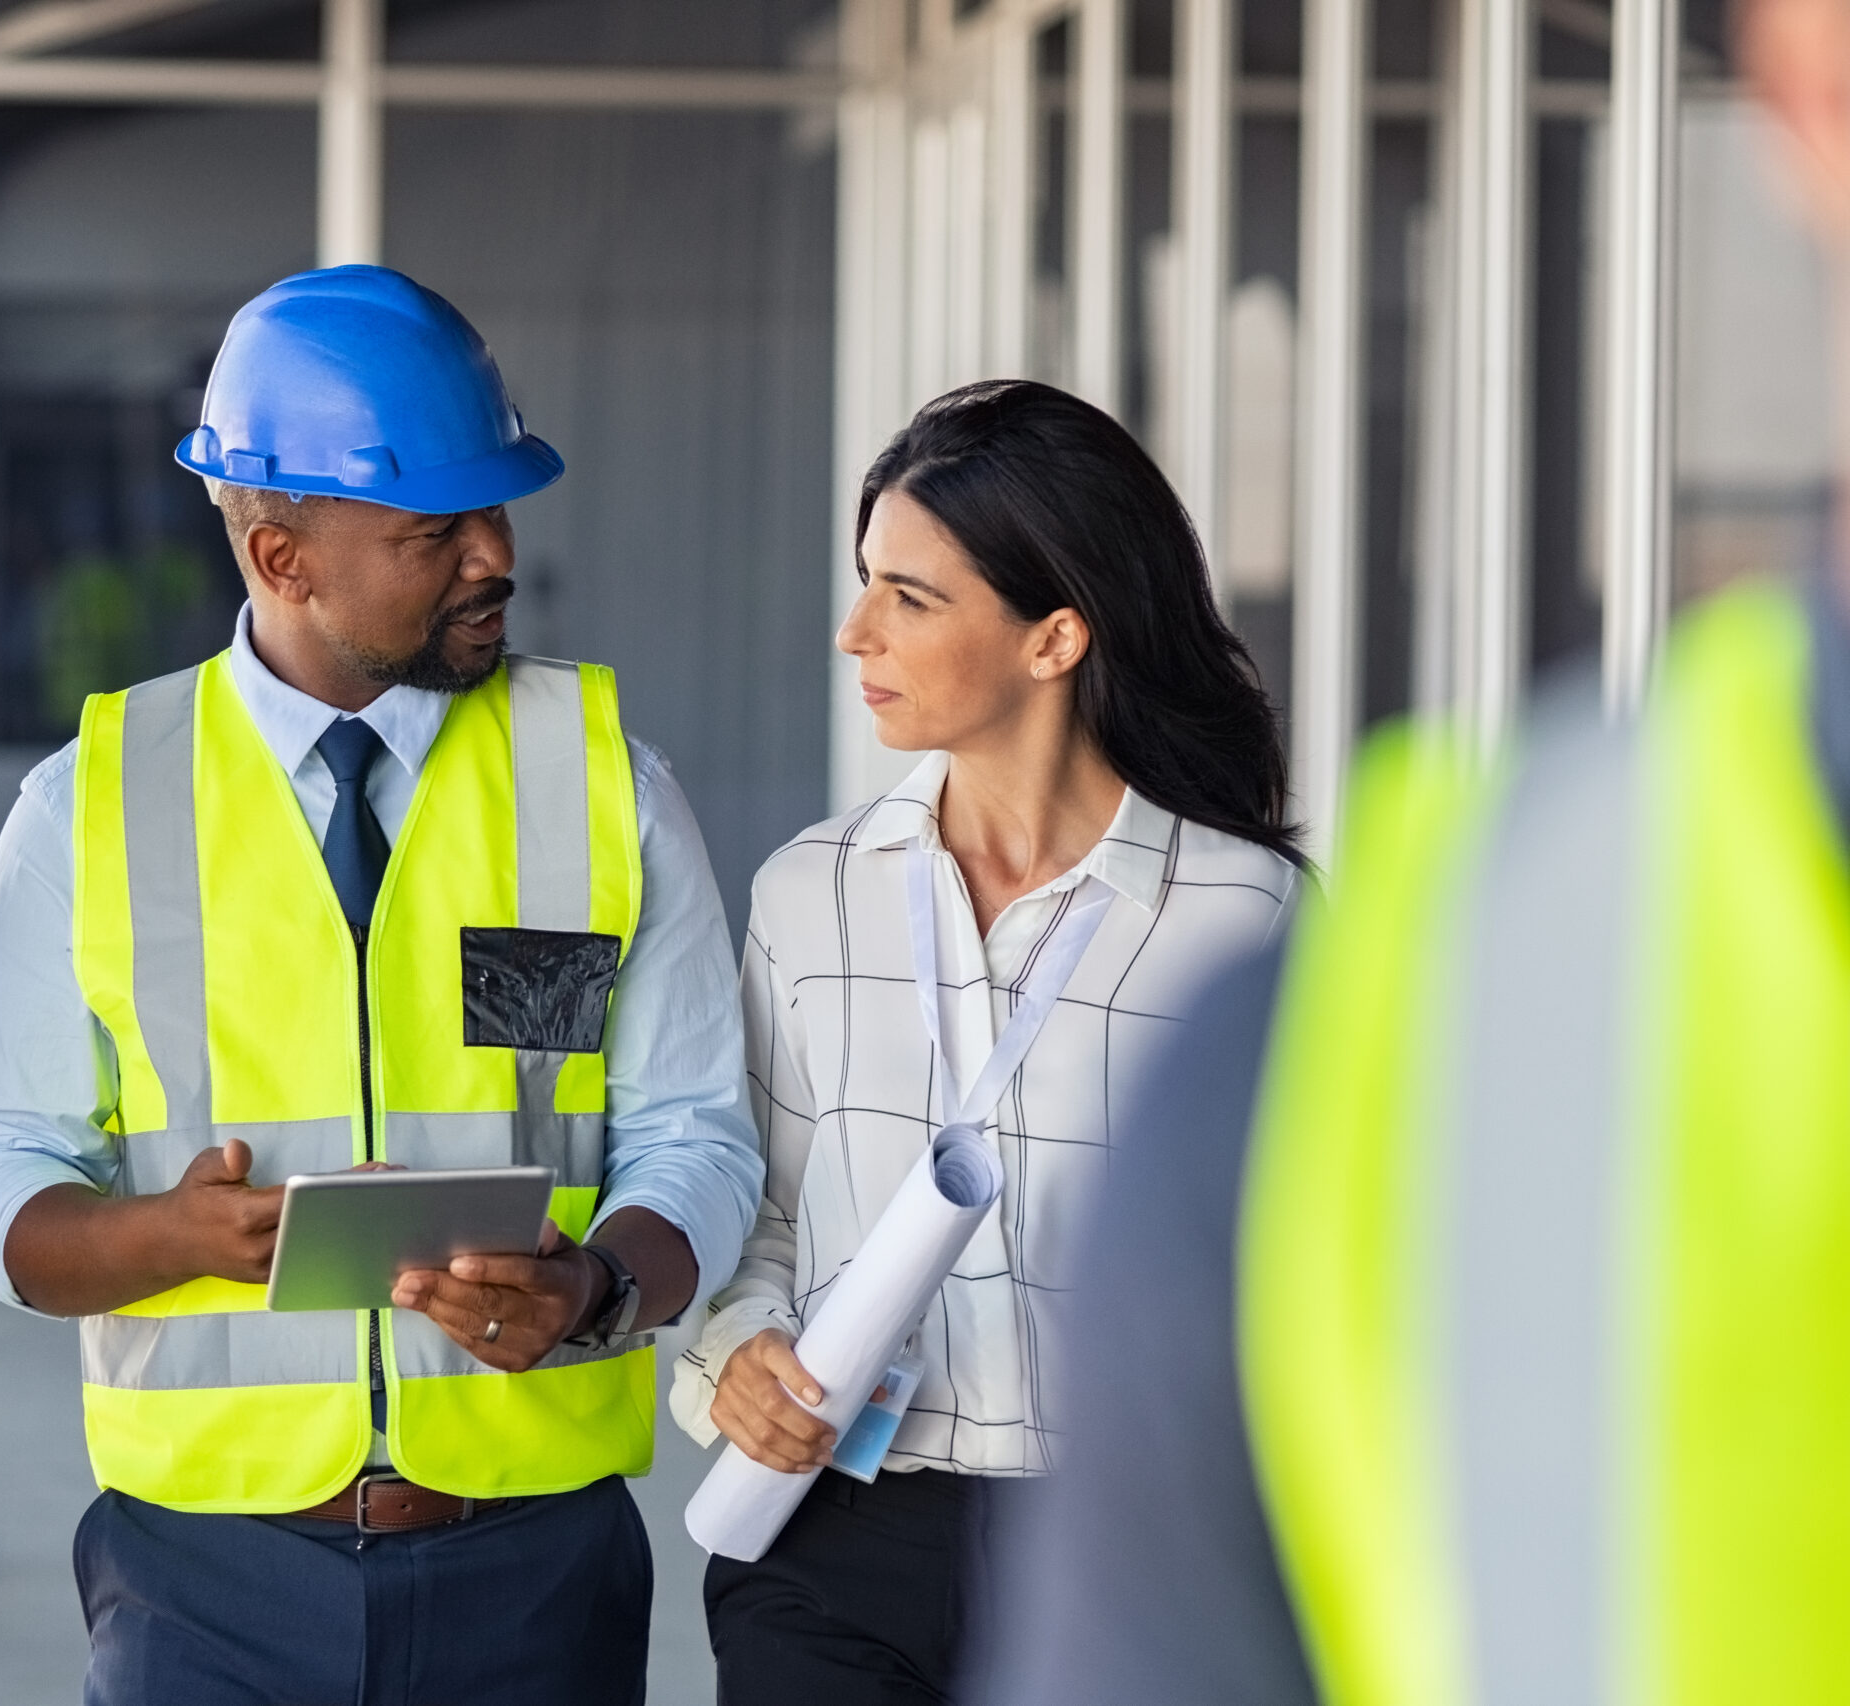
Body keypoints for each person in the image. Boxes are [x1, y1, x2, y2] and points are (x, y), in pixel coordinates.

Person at [985, 2, 1850, 1701]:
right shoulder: (1360, 1083)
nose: (861, 634)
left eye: (912, 591)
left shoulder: (1290, 970)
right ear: (1810, 67)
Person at [0, 264, 760, 1706]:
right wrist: (165, 1236)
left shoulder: (609, 783)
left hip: (536, 1570)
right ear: (280, 556)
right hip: (201, 1589)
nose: (495, 554)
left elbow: (700, 1132)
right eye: (436, 529)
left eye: (498, 509)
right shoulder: (94, 807)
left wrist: (603, 1286)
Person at [671, 378, 1303, 1705]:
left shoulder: (1248, 915)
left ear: (1054, 636)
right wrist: (737, 1357)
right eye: (866, 583)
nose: (855, 633)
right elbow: (757, 1219)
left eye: (912, 595)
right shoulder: (812, 890)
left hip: (1120, 1539)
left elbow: (1297, 1272)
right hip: (835, 1535)